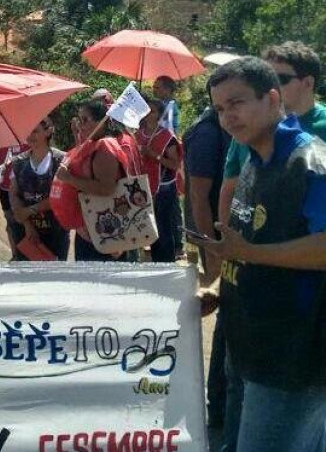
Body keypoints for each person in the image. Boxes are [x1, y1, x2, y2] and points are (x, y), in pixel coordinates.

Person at [191, 57, 326, 452]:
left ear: (271, 98)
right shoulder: (253, 159)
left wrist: (250, 252)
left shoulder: (310, 163)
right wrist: (222, 286)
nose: (227, 117)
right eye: (219, 109)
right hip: (249, 344)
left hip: (291, 360)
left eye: (236, 103)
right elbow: (249, 243)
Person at [220, 41, 326, 224]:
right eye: (263, 79)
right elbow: (230, 187)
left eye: (279, 78)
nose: (269, 86)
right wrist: (226, 243)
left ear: (308, 83)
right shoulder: (250, 126)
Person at [182, 103, 231, 430]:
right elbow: (199, 197)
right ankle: (215, 409)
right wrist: (211, 251)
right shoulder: (208, 133)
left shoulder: (220, 130)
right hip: (209, 239)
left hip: (217, 239)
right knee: (216, 314)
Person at [53, 100, 133, 262]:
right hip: (91, 229)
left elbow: (106, 188)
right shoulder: (94, 144)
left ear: (101, 121)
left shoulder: (105, 146)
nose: (81, 125)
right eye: (79, 119)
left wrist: (69, 179)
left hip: (104, 230)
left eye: (85, 120)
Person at [9, 116, 68, 261]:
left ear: (48, 132)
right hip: (26, 233)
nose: (30, 136)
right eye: (28, 131)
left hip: (55, 233)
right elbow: (14, 194)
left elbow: (60, 196)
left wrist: (30, 210)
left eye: (35, 131)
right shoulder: (18, 162)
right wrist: (27, 225)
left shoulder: (61, 160)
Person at [135, 95, 181, 263]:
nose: (147, 113)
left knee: (163, 228)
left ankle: (166, 263)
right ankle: (155, 262)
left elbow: (175, 165)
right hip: (143, 187)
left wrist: (154, 155)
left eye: (151, 111)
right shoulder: (138, 134)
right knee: (151, 229)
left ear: (159, 115)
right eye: (145, 109)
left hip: (163, 188)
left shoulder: (166, 136)